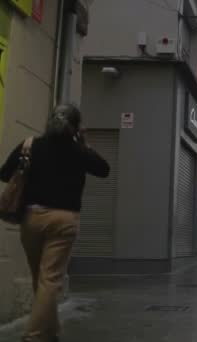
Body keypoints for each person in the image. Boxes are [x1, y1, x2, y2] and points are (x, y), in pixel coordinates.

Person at [0, 103, 110, 342]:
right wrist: (83, 143)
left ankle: (51, 331)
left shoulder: (30, 145)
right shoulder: (78, 150)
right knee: (50, 279)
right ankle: (35, 335)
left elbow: (4, 173)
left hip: (31, 219)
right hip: (64, 221)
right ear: (76, 126)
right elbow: (104, 169)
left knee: (40, 278)